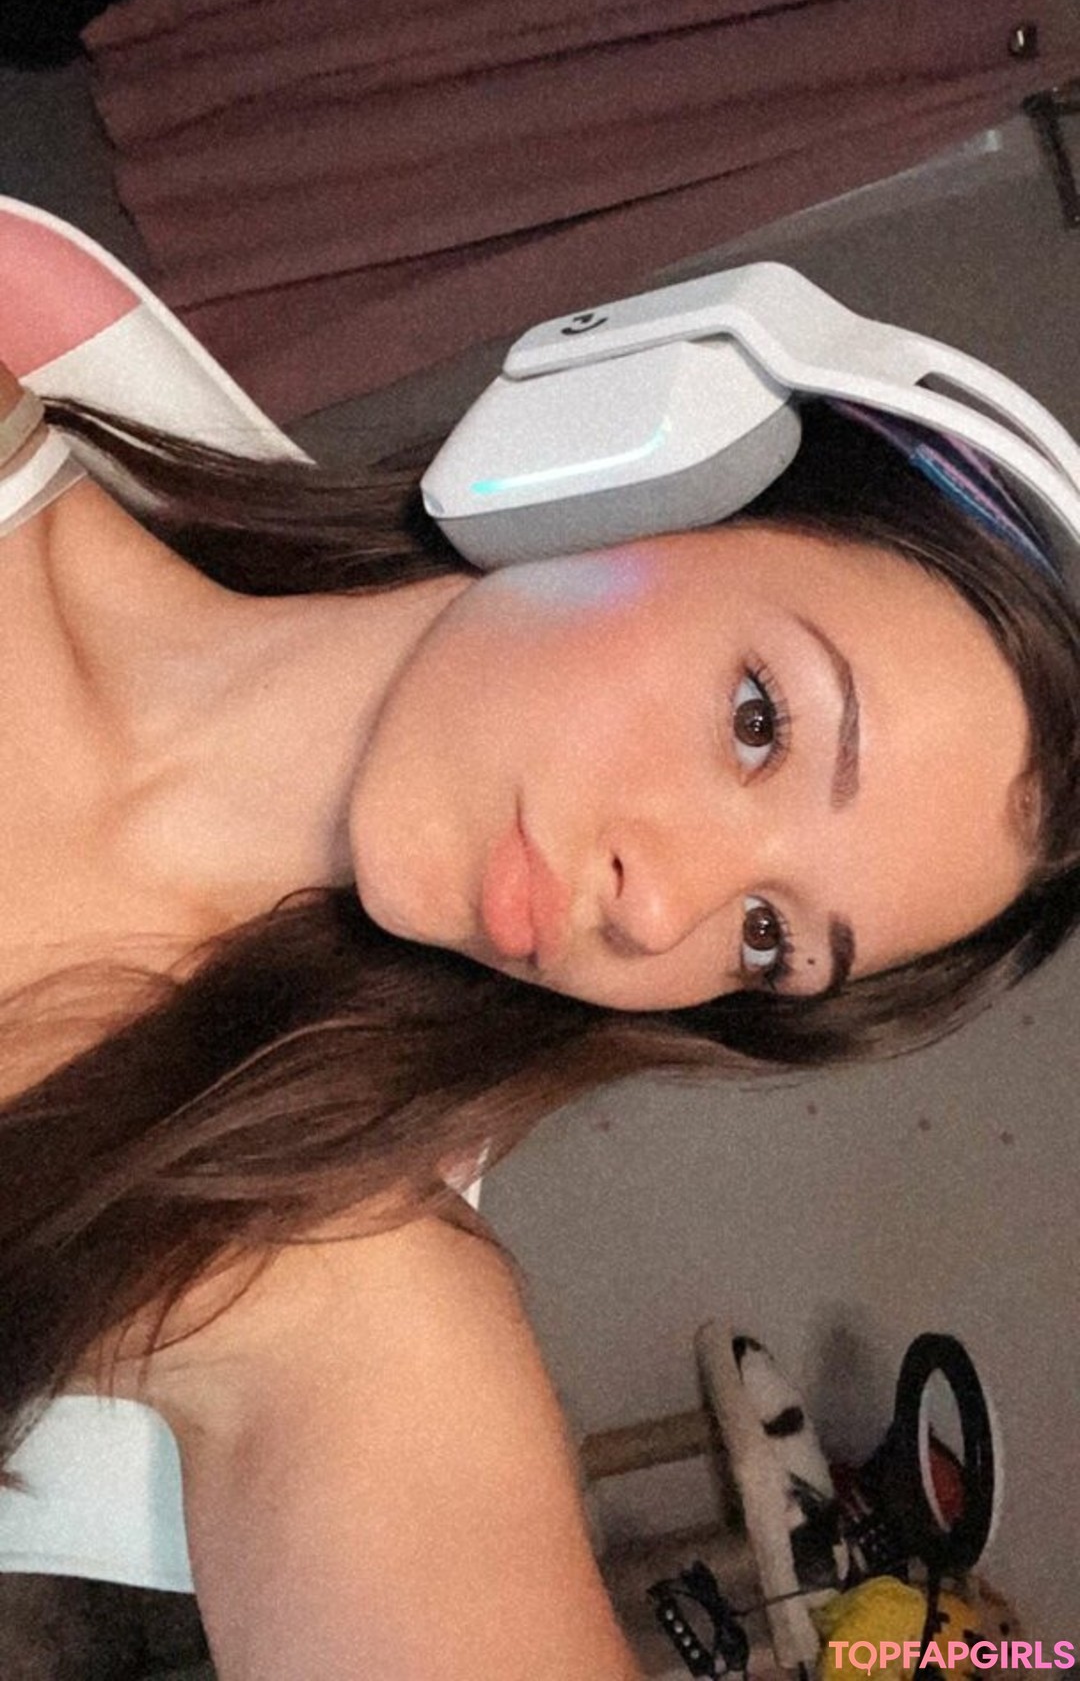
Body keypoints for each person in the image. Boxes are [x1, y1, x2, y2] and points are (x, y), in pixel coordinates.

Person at [0, 327, 1077, 1680]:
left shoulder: (318, 1254)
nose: (656, 909)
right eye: (758, 720)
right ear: (614, 468)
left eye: (767, 937)